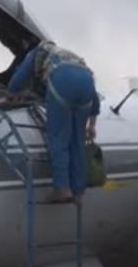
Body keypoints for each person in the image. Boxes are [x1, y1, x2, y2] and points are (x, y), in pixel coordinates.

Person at [7, 42, 100, 204]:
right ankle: (78, 191)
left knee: (59, 138)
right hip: (87, 86)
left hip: (63, 83)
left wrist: (10, 93)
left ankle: (62, 189)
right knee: (78, 142)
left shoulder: (38, 52)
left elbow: (20, 76)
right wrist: (92, 125)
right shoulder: (71, 57)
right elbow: (95, 98)